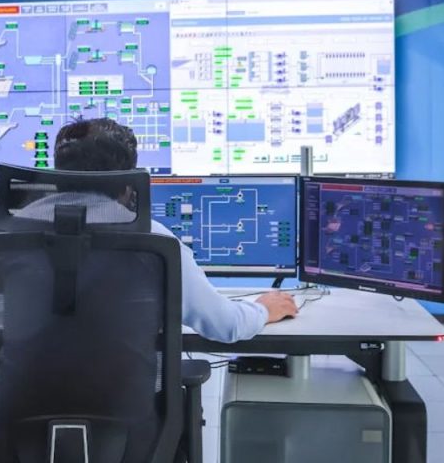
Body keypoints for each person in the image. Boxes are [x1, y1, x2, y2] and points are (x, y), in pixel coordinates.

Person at [45, 117, 298, 343]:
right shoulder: (153, 243)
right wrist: (264, 308)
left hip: (27, 394)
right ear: (128, 184)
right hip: (125, 394)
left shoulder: (13, 233)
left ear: (57, 179)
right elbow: (226, 325)